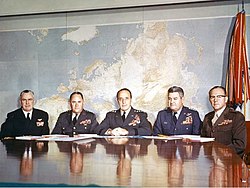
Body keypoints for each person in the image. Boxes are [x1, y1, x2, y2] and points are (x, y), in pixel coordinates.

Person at [201, 85, 246, 157]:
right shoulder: (207, 117)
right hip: (210, 161)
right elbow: (203, 140)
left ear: (226, 99)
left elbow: (240, 144)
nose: (215, 100)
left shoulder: (236, 116)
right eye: (212, 97)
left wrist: (220, 154)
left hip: (230, 160)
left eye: (219, 96)